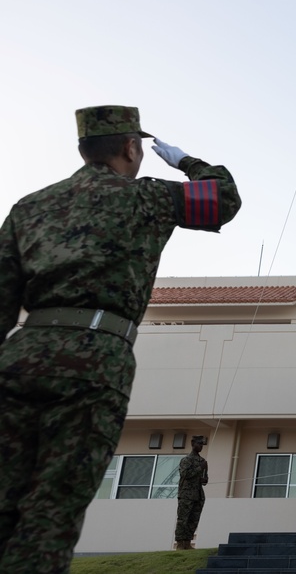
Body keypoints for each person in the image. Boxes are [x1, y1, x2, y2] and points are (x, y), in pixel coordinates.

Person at [0, 105, 241, 574]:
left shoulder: (30, 206)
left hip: (20, 357)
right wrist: (187, 162)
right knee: (53, 507)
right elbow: (223, 199)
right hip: (95, 360)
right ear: (131, 148)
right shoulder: (146, 198)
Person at [174, 435, 209, 550]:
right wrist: (200, 468)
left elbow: (204, 480)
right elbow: (185, 474)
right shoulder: (186, 460)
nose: (201, 446)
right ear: (192, 443)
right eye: (199, 444)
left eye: (202, 445)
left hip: (198, 494)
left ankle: (187, 542)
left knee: (194, 519)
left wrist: (204, 479)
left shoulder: (202, 461)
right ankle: (180, 543)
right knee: (183, 519)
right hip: (186, 494)